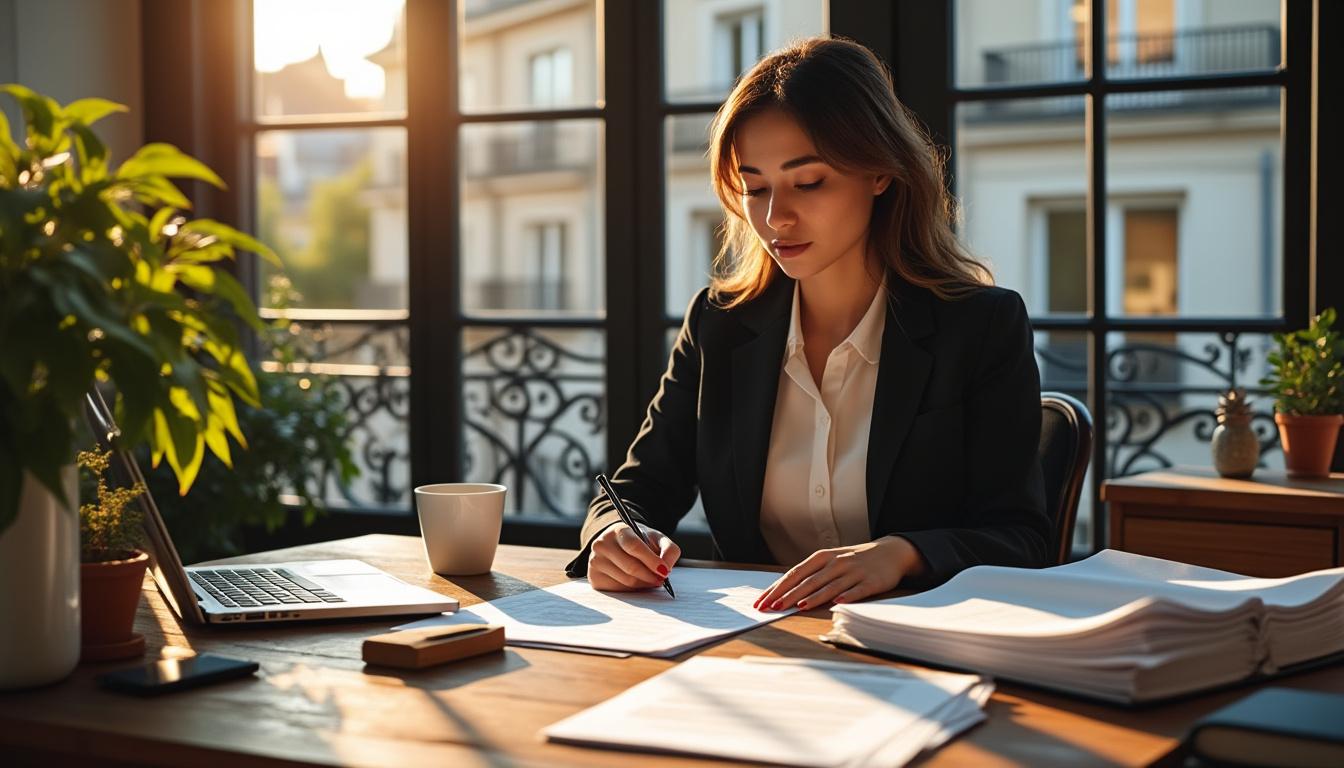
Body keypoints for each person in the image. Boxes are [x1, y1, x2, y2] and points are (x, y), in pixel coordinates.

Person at [566, 36, 1050, 611]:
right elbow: (635, 490)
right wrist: (614, 536)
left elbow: (1023, 539)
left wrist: (900, 555)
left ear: (880, 172)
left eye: (809, 182)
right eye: (755, 188)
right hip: (757, 641)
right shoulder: (719, 324)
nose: (776, 218)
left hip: (916, 640)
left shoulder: (980, 326)